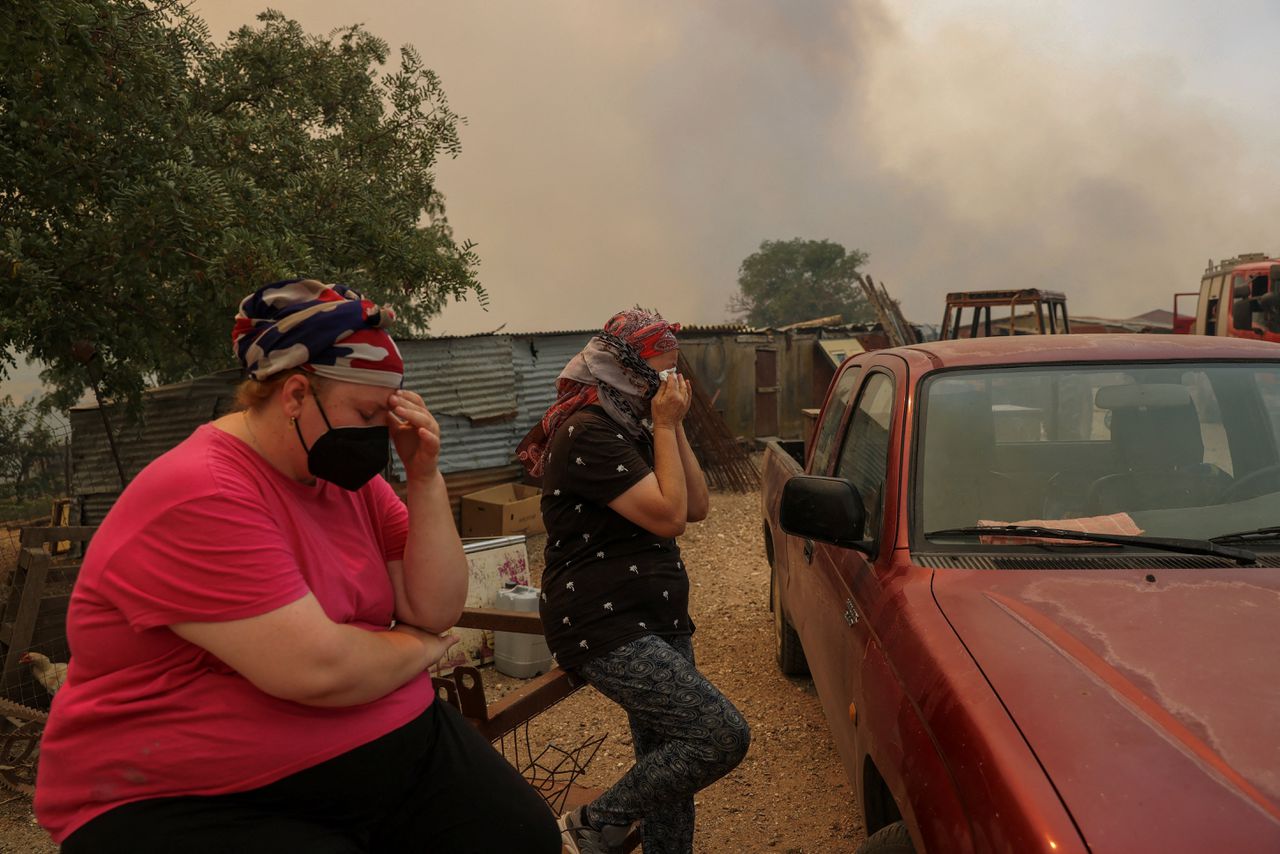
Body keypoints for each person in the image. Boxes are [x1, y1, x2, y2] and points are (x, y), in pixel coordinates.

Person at [35, 280, 560, 854]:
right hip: (196, 794)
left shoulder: (344, 480)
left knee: (524, 838)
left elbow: (434, 606)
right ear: (294, 395)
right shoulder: (203, 491)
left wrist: (426, 478)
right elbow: (317, 670)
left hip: (384, 741)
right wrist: (419, 647)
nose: (381, 435)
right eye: (366, 413)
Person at [517, 309, 751, 854]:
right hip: (603, 620)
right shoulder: (587, 431)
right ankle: (592, 823)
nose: (665, 387)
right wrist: (665, 425)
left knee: (670, 768)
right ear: (621, 369)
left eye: (672, 376)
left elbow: (695, 506)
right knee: (717, 735)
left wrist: (672, 424)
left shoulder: (633, 423)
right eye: (658, 375)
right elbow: (667, 517)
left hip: (657, 613)